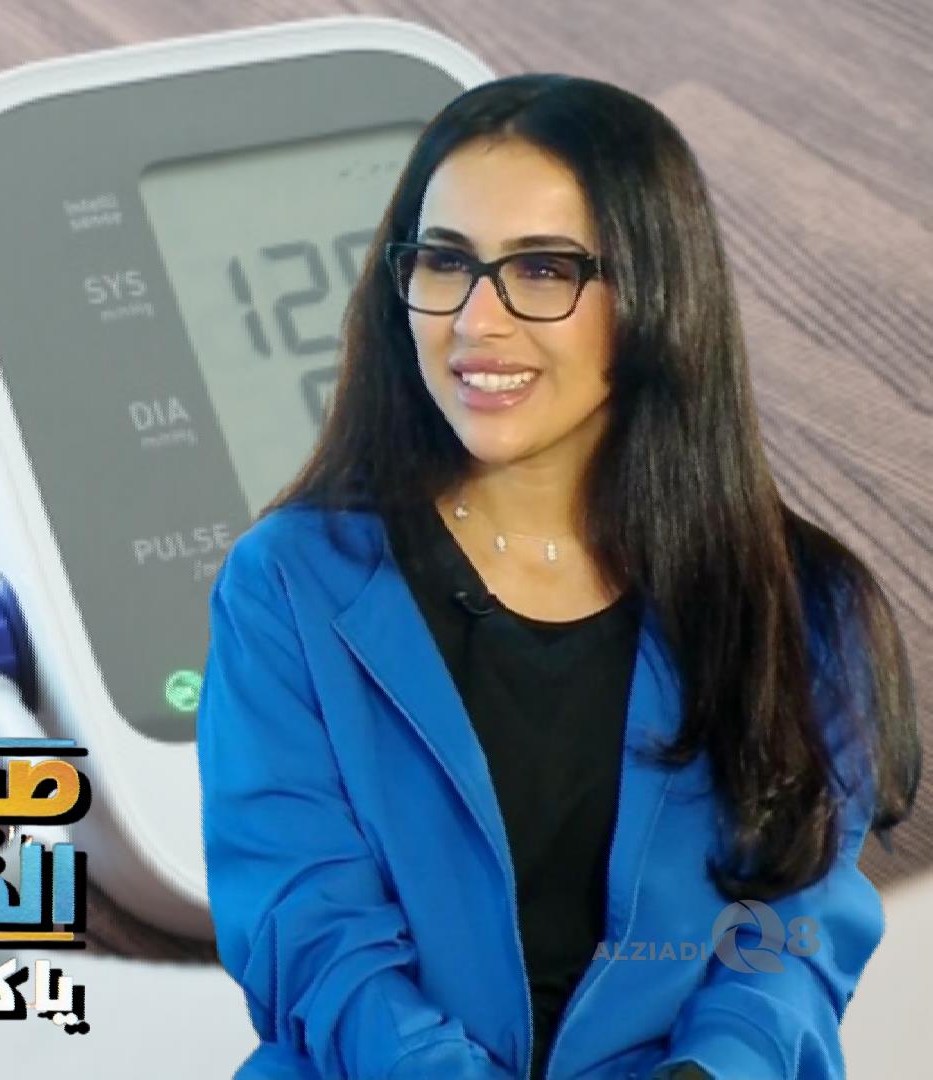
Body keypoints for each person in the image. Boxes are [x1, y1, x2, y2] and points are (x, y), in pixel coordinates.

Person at [195, 74, 920, 1080]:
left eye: (543, 270)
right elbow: (307, 928)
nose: (477, 321)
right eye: (446, 261)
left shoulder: (805, 608)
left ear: (655, 297)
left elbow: (795, 935)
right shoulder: (287, 584)